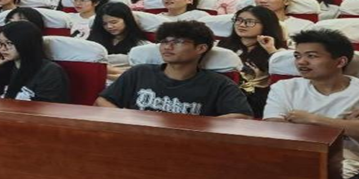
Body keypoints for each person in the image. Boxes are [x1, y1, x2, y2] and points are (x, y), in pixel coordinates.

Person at [263, 29, 359, 179]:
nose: (301, 62)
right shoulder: (284, 88)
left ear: (340, 61)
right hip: (297, 157)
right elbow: (274, 129)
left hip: (350, 162)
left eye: (312, 56)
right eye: (297, 56)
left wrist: (312, 120)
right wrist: (346, 126)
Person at [96, 21, 253, 118]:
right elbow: (102, 101)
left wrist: (200, 127)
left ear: (201, 48)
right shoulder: (140, 72)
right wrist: (127, 120)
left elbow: (242, 116)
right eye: (164, 42)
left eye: (178, 42)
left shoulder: (219, 84)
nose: (167, 47)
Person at [0, 21, 70, 102]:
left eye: (9, 43)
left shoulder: (50, 71)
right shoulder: (5, 67)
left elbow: (48, 111)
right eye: (0, 43)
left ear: (26, 43)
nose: (2, 49)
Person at [218, 6, 286, 117]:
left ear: (266, 25)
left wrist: (271, 50)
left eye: (249, 22)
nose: (241, 25)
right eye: (239, 20)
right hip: (222, 95)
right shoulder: (223, 45)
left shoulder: (278, 52)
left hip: (254, 100)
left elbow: (281, 77)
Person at [89, 3, 149, 80]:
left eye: (114, 22)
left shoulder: (142, 45)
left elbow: (142, 73)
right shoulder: (94, 41)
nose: (109, 26)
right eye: (104, 24)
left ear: (126, 20)